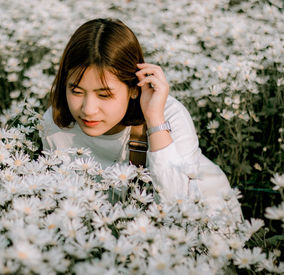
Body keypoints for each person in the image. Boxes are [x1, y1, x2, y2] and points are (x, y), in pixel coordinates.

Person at [40, 18, 241, 220]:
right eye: (76, 91)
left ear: (134, 89)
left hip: (209, 222)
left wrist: (154, 119)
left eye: (104, 95)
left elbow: (179, 207)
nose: (88, 109)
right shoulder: (55, 125)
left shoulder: (169, 115)